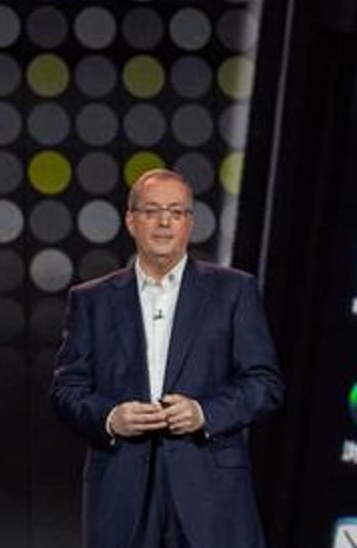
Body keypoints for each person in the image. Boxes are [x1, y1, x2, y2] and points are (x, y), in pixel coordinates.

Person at [51, 168, 284, 548]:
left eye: (176, 212)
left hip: (209, 487)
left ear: (189, 223)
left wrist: (204, 413)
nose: (164, 222)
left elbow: (264, 383)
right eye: (151, 211)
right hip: (122, 488)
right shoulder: (91, 300)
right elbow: (66, 391)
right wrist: (110, 418)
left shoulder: (233, 291)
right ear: (131, 220)